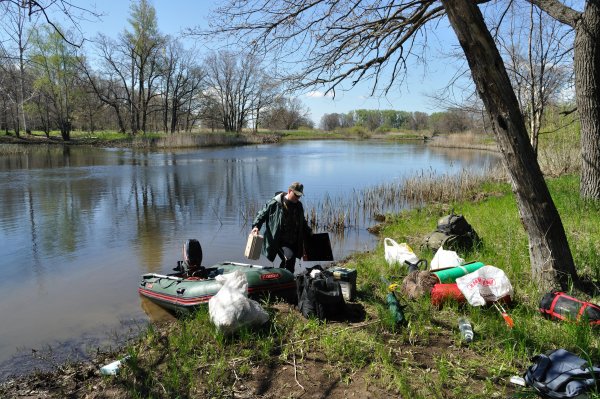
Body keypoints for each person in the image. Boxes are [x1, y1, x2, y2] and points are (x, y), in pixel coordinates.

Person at [251, 182, 312, 273]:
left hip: (294, 241)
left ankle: (282, 280)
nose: (298, 197)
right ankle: (283, 279)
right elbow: (262, 214)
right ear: (289, 191)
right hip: (278, 239)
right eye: (296, 195)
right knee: (289, 259)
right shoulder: (275, 203)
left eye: (299, 196)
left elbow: (302, 222)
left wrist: (309, 232)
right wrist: (256, 226)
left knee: (290, 263)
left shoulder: (299, 206)